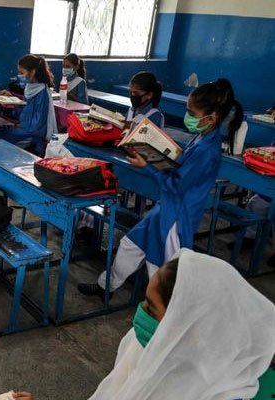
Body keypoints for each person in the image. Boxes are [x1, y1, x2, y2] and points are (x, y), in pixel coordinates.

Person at [78, 79, 244, 299]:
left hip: (177, 215)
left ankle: (166, 310)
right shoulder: (202, 136)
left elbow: (177, 185)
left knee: (165, 268)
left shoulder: (207, 150)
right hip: (166, 207)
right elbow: (180, 167)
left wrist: (149, 167)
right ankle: (104, 287)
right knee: (130, 244)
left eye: (192, 113)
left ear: (211, 117)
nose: (188, 117)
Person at [90, 249, 275, 400]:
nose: (140, 314)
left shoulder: (226, 391)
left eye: (151, 310)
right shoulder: (165, 354)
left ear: (189, 325)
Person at [0, 54, 57, 156]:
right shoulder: (30, 88)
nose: (19, 76)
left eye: (21, 72)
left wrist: (20, 125)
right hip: (24, 128)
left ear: (32, 72)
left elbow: (38, 124)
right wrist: (12, 99)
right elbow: (26, 110)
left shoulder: (42, 92)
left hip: (32, 135)